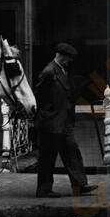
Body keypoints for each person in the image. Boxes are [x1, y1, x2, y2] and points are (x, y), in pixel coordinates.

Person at [34, 43, 98, 198]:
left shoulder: (62, 70)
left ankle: (80, 186)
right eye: (68, 58)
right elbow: (39, 96)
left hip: (64, 122)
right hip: (51, 123)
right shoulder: (49, 71)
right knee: (48, 157)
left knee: (72, 153)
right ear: (60, 55)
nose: (69, 61)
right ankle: (44, 190)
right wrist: (48, 116)